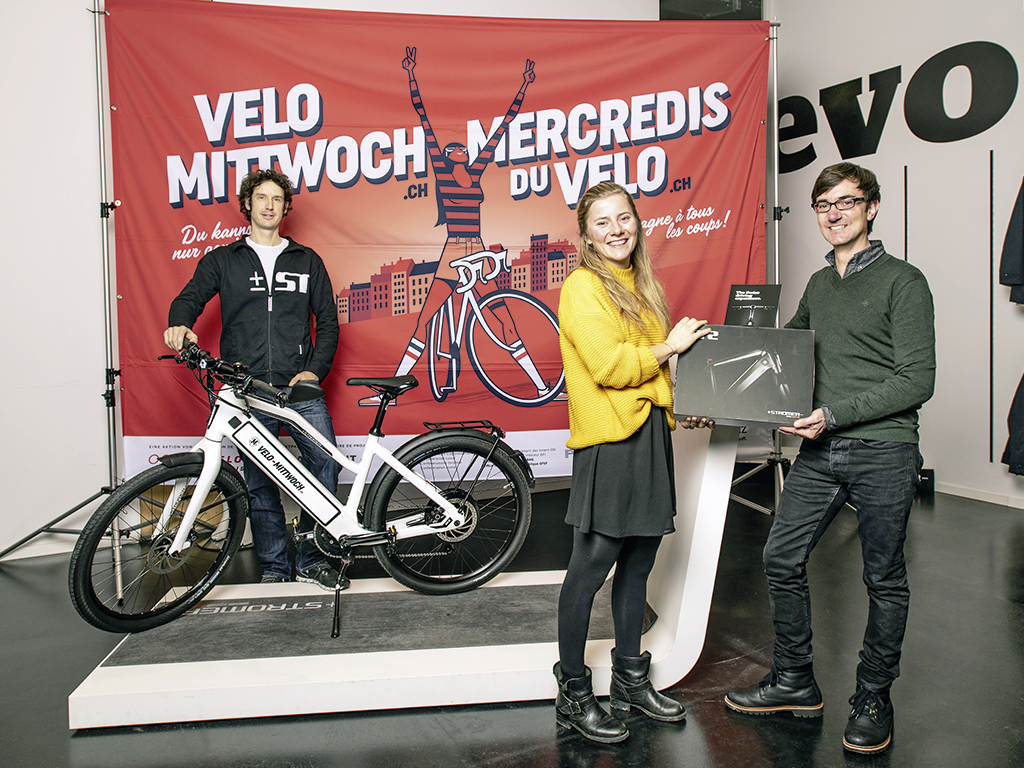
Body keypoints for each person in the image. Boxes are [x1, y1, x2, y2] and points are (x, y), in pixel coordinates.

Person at [724, 162, 936, 755]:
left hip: (884, 449)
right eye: (823, 205)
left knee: (883, 578)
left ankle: (873, 697)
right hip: (821, 449)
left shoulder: (904, 281)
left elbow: (917, 380)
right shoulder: (819, 285)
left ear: (872, 207)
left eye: (846, 202)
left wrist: (833, 414)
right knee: (781, 556)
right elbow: (783, 353)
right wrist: (711, 382)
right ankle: (795, 679)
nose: (834, 214)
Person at [553, 181, 712, 743]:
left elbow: (653, 373)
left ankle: (629, 679)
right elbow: (611, 366)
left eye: (624, 217)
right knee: (592, 565)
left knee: (639, 562)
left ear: (637, 223)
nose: (617, 229)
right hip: (609, 442)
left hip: (647, 435)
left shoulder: (642, 285)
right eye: (603, 221)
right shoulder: (582, 286)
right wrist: (672, 346)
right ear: (586, 235)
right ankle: (573, 691)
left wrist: (682, 401)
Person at [163, 168, 345, 591]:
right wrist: (179, 323)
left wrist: (313, 371)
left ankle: (312, 560)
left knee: (325, 465)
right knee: (260, 482)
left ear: (285, 208)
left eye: (277, 199)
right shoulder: (223, 259)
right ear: (247, 205)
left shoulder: (307, 260)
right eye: (261, 197)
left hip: (297, 390)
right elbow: (189, 298)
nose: (269, 205)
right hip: (245, 389)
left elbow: (329, 324)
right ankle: (276, 567)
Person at [360, 48, 553, 404]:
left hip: (477, 249)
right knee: (425, 321)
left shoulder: (475, 171)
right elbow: (425, 123)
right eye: (455, 152)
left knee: (502, 317)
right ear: (448, 159)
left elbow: (501, 130)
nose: (461, 152)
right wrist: (411, 75)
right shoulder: (445, 174)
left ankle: (541, 385)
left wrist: (524, 87)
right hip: (454, 251)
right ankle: (391, 393)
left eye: (463, 151)